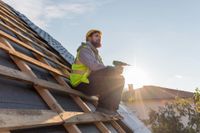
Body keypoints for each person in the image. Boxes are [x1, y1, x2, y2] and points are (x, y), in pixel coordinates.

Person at [70, 29, 125, 115]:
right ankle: (103, 108)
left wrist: (116, 70)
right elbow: (94, 66)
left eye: (100, 37)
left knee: (120, 78)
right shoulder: (84, 50)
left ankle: (111, 109)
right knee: (111, 71)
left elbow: (103, 70)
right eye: (96, 36)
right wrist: (112, 70)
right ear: (89, 38)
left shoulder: (96, 54)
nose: (99, 38)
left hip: (89, 83)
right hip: (80, 83)